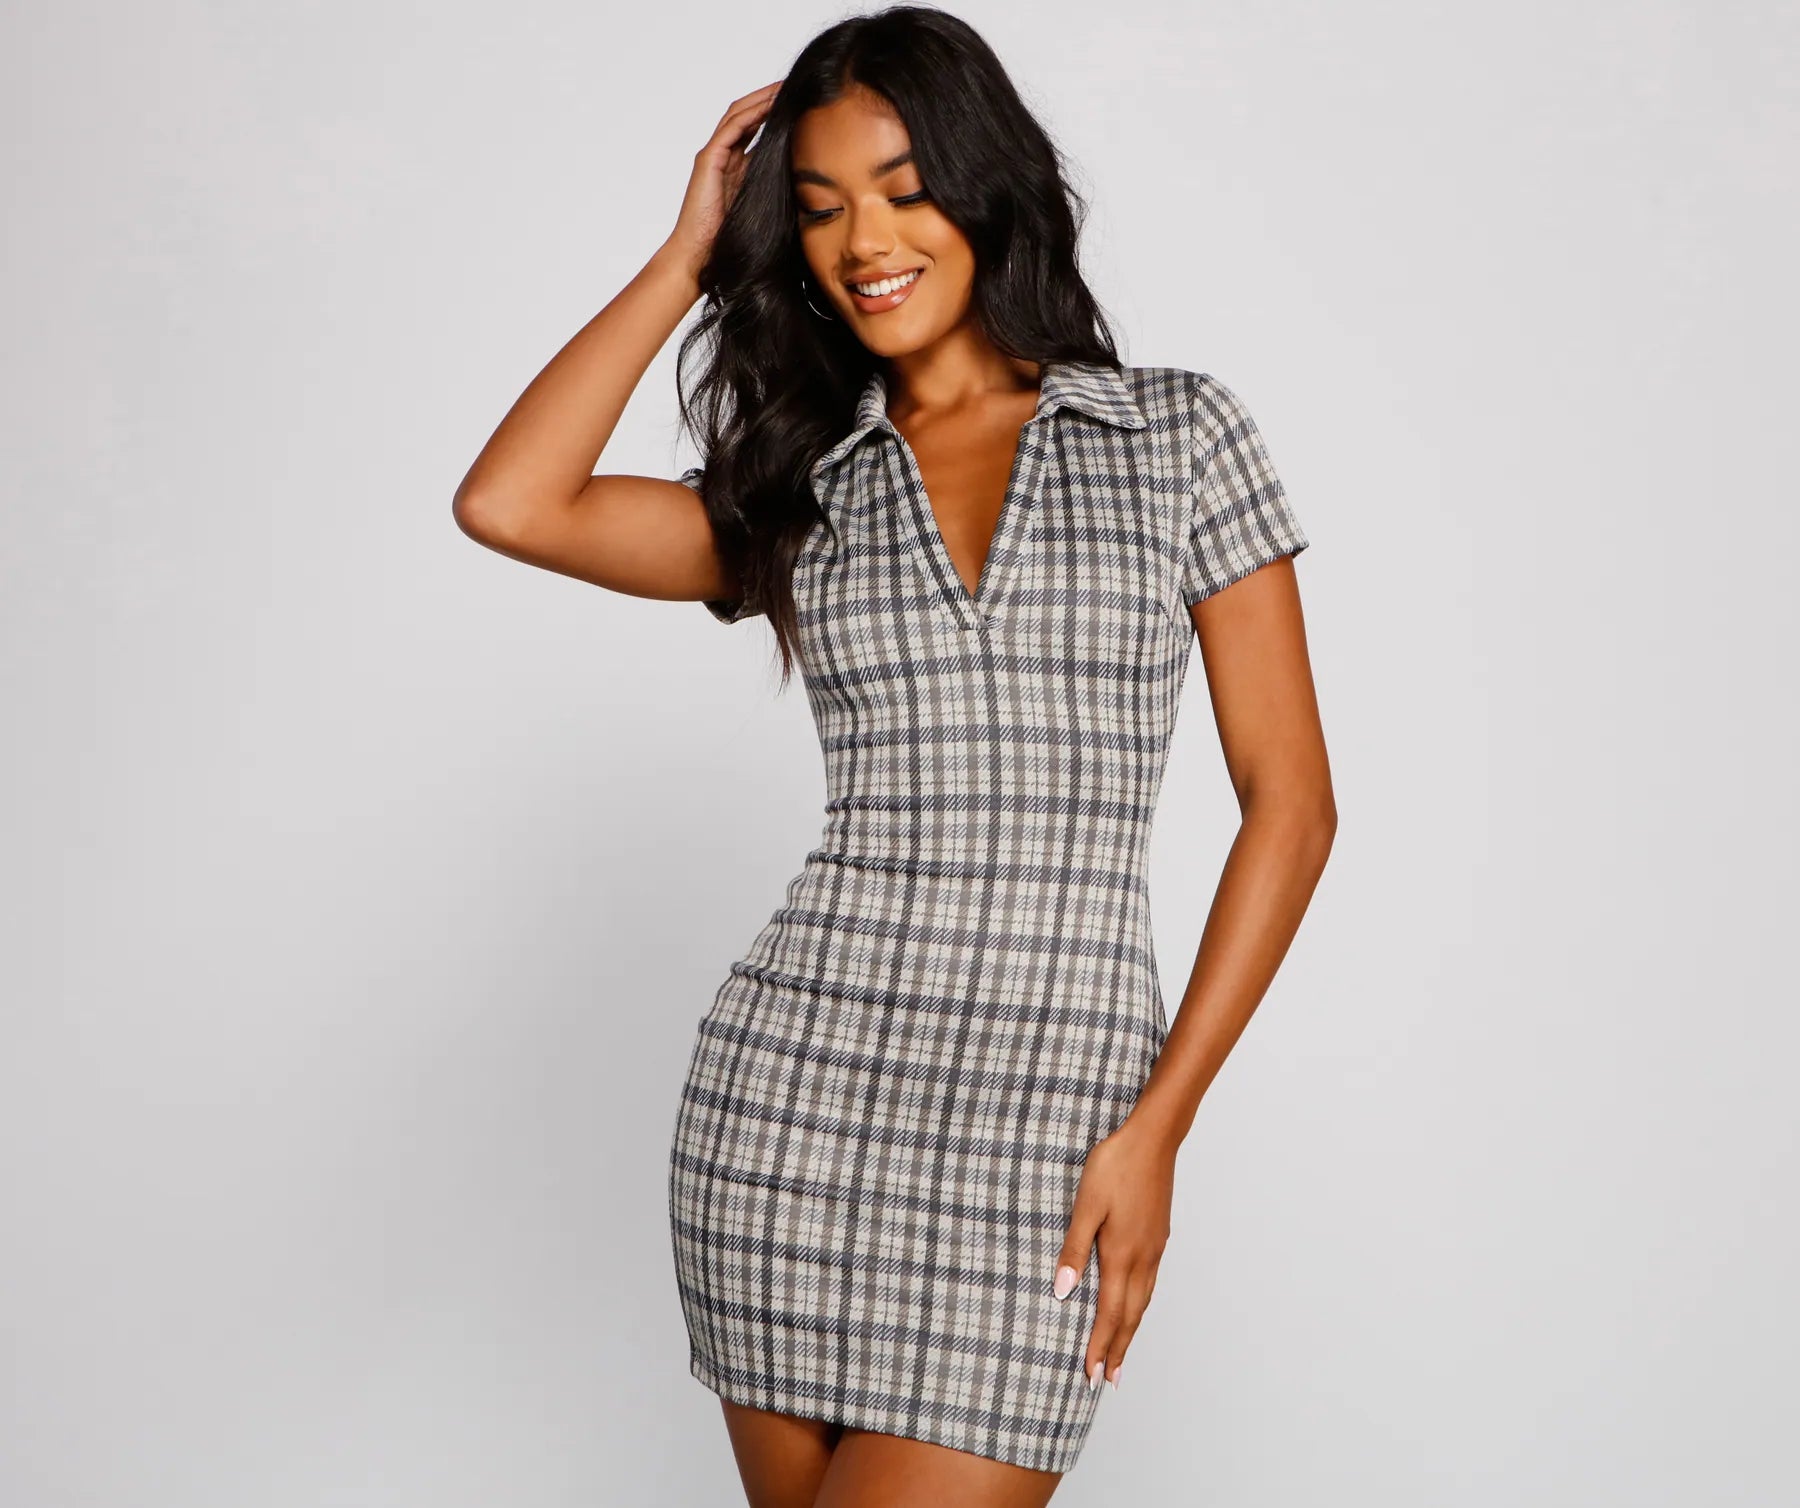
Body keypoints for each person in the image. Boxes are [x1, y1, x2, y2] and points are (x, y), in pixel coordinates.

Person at [452, 8, 1334, 1504]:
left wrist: (1158, 1129)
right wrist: (685, 257)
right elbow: (512, 504)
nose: (865, 239)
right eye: (817, 208)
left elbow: (1291, 809)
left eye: (905, 190)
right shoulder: (803, 488)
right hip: (789, 1120)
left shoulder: (1177, 437)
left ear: (987, 190)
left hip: (1050, 1131)